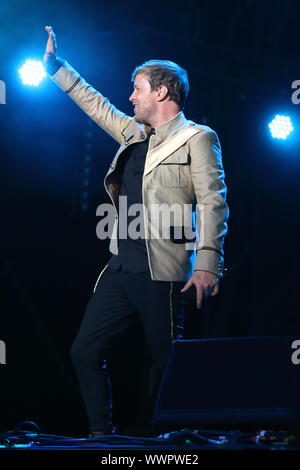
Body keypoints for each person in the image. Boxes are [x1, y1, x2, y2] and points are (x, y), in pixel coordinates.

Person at [43, 25, 229, 436]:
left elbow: (213, 201)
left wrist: (208, 263)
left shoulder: (198, 138)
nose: (131, 97)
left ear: (161, 93)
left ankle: (188, 438)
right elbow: (95, 105)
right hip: (121, 265)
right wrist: (57, 67)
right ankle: (101, 438)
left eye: (138, 89)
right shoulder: (133, 132)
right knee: (84, 352)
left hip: (161, 269)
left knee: (168, 361)